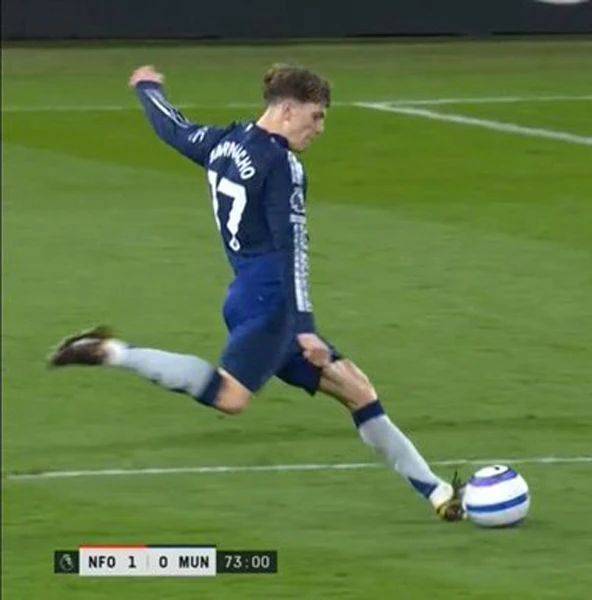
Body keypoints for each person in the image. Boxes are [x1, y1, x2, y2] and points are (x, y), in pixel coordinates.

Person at [48, 64, 465, 520]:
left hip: (246, 295)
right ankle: (112, 352)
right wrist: (304, 327)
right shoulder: (283, 166)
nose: (320, 129)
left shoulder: (226, 143)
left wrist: (148, 88)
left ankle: (437, 493)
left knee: (356, 389)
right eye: (316, 116)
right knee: (231, 397)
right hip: (274, 304)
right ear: (287, 110)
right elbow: (292, 249)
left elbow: (173, 129)